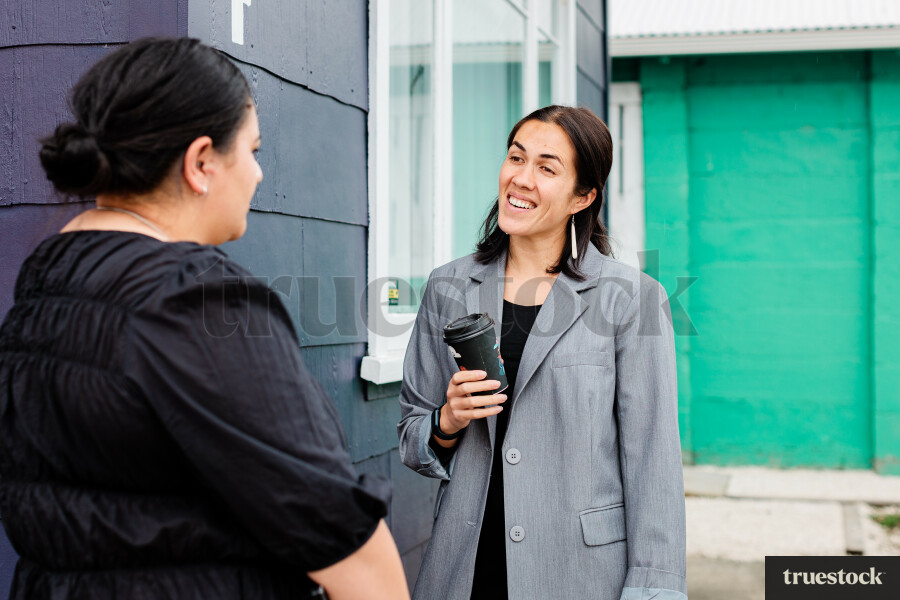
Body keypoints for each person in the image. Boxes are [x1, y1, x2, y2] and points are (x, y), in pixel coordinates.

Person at [0, 37, 410, 600]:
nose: (259, 176)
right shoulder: (196, 301)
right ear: (200, 163)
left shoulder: (46, 281)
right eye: (253, 151)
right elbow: (351, 551)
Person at [398, 105, 687, 600]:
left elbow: (653, 463)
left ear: (583, 196)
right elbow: (411, 438)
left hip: (580, 574)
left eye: (546, 168)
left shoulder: (632, 299)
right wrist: (449, 419)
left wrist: (654, 589)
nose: (521, 179)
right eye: (516, 158)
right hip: (465, 569)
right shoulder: (447, 287)